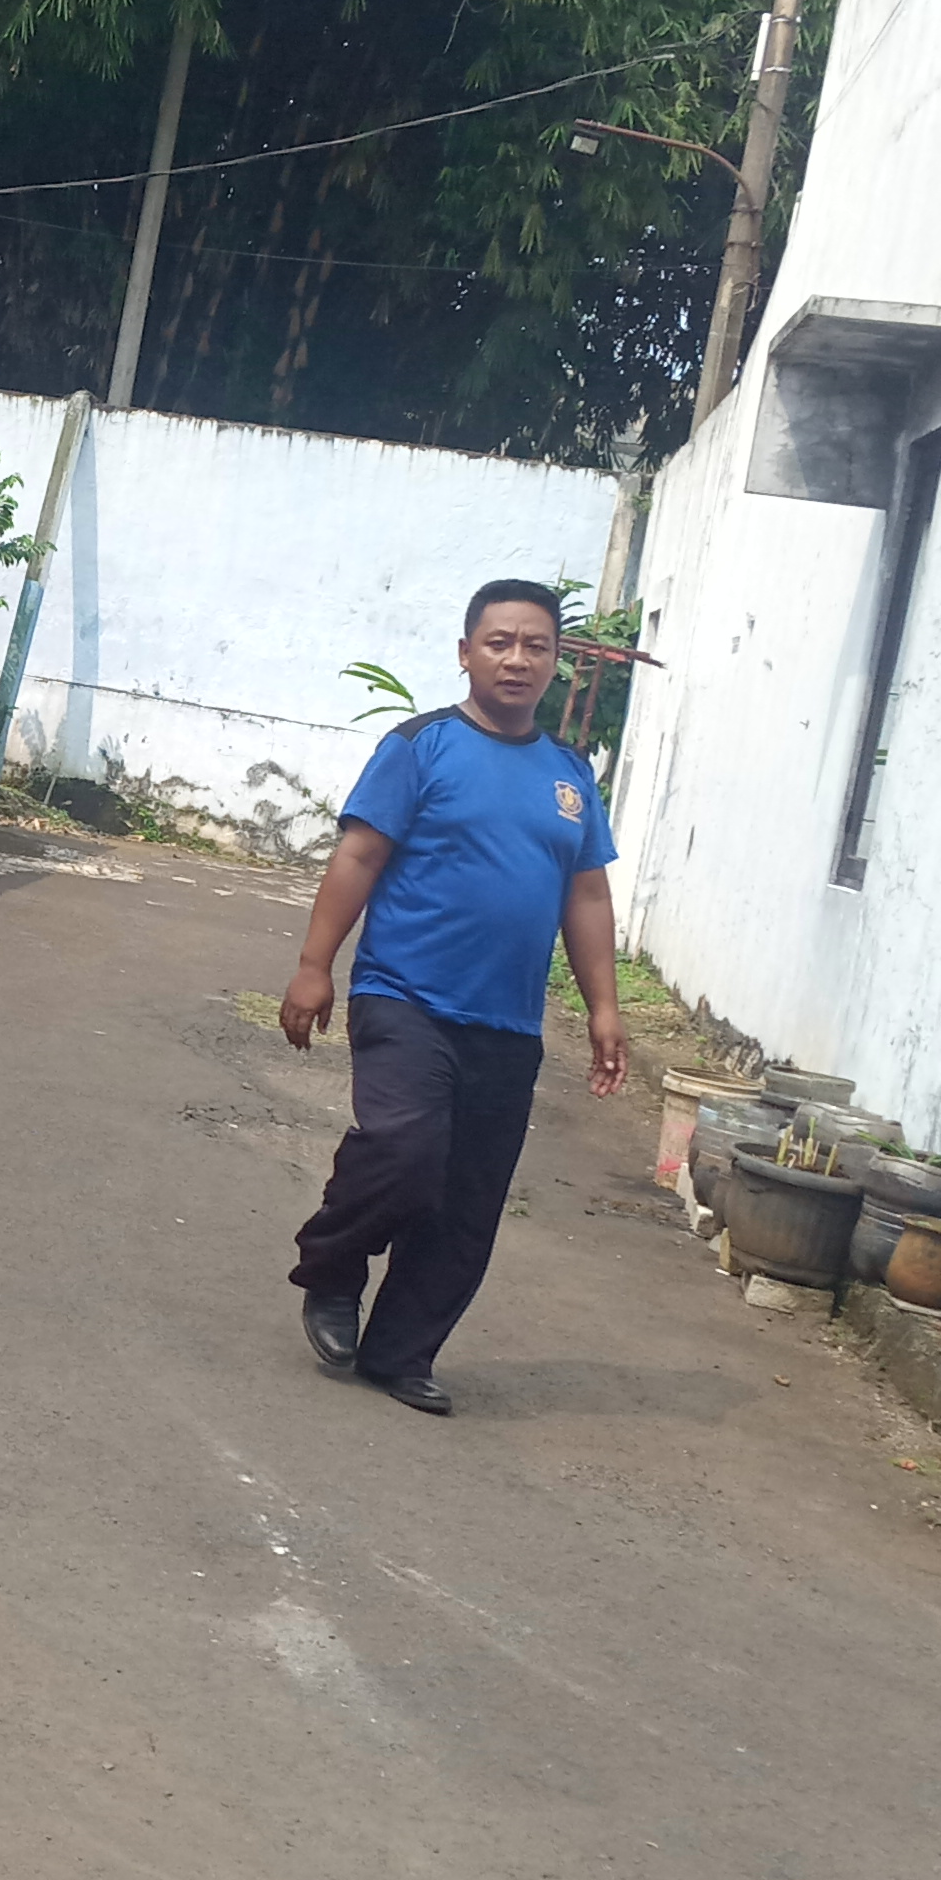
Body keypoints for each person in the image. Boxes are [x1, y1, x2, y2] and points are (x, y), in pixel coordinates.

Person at [276, 579, 628, 1414]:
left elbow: (586, 894)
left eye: (535, 645)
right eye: (499, 642)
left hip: (508, 1021)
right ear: (467, 653)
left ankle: (400, 1353)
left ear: (556, 664)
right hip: (405, 995)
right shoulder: (421, 746)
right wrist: (315, 964)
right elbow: (359, 856)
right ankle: (333, 1267)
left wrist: (605, 1009)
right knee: (402, 1150)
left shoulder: (569, 775)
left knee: (468, 1200)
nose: (517, 658)